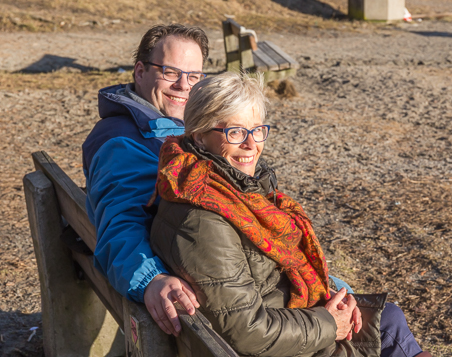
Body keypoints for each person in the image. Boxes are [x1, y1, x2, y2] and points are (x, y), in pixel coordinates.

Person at [149, 72, 432, 357]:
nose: (251, 145)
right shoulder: (204, 217)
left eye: (257, 129)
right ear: (199, 137)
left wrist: (331, 296)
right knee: (388, 328)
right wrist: (329, 323)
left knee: (389, 319)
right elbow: (246, 331)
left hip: (290, 323)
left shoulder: (221, 187)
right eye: (234, 132)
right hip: (285, 345)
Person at [82, 24, 209, 336]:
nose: (183, 85)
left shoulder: (161, 130)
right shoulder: (126, 144)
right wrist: (150, 278)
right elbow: (121, 218)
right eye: (170, 72)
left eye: (194, 76)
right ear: (140, 72)